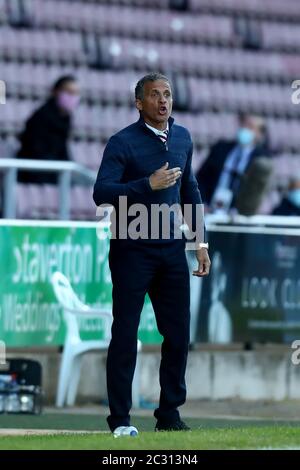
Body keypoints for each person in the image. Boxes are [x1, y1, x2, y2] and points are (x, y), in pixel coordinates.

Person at [93, 72, 210, 436]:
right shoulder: (122, 142)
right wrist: (147, 184)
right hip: (131, 249)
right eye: (155, 95)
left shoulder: (183, 138)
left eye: (168, 94)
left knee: (178, 335)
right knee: (125, 334)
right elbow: (101, 192)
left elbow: (190, 189)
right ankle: (120, 421)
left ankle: (169, 416)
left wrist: (200, 243)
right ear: (139, 103)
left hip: (173, 249)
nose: (163, 101)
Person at [196, 114, 270, 214]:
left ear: (259, 134)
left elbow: (255, 190)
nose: (245, 129)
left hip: (236, 214)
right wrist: (202, 202)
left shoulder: (261, 158)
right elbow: (202, 177)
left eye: (250, 127)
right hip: (209, 208)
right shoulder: (221, 148)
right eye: (244, 125)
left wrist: (239, 210)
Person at [16, 75, 80, 184]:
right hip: (34, 174)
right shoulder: (41, 117)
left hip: (53, 171)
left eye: (75, 93)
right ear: (56, 92)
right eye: (68, 92)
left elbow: (62, 149)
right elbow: (35, 150)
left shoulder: (66, 118)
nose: (72, 97)